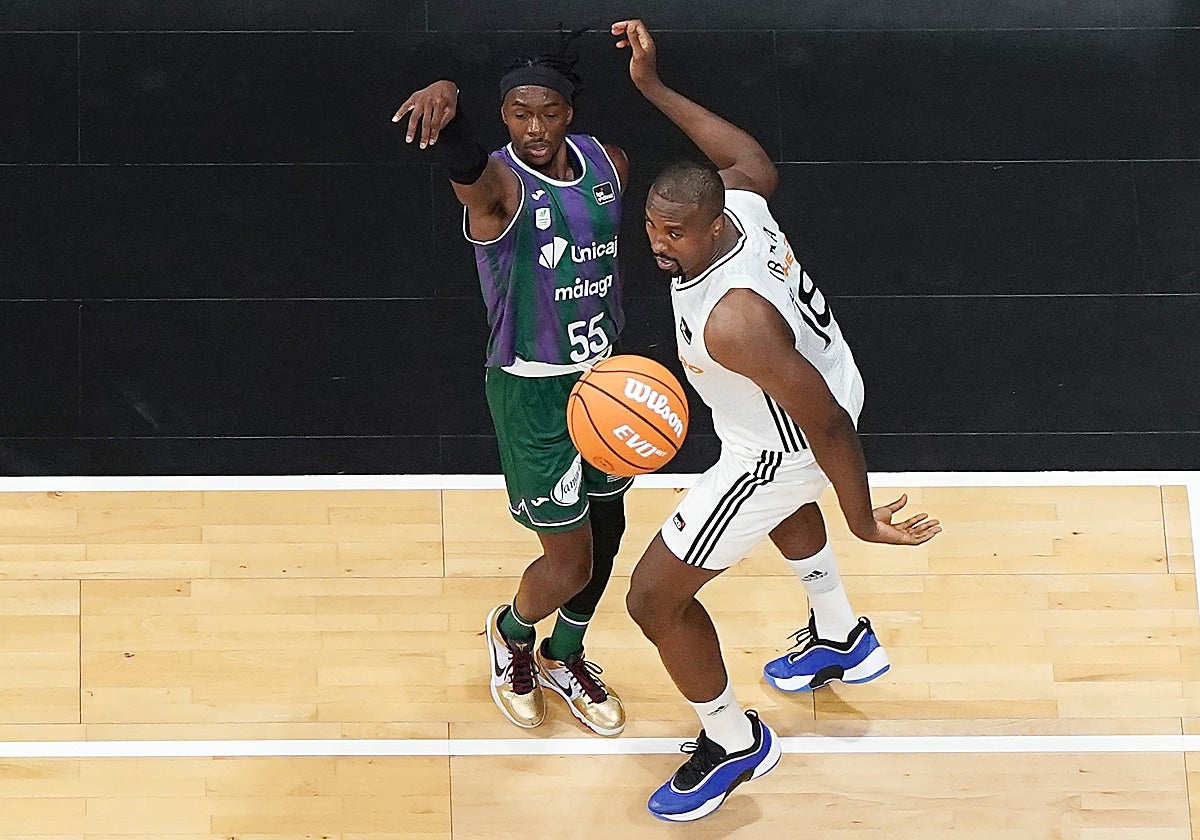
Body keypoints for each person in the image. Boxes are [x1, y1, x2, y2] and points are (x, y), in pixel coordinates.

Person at [612, 19, 942, 820]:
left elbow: (826, 426)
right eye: (654, 227)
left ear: (715, 225)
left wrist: (860, 517)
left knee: (653, 600)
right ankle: (839, 634)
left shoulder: (732, 320)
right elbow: (744, 158)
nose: (659, 243)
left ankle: (733, 742)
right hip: (817, 380)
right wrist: (652, 87)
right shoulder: (745, 202)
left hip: (788, 437)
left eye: (675, 232)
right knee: (781, 478)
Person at [392, 35, 630, 737]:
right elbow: (465, 165)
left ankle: (567, 653)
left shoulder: (609, 165)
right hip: (533, 391)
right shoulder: (498, 188)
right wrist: (448, 104)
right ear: (502, 114)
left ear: (569, 112)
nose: (533, 127)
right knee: (568, 559)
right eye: (519, 113)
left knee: (609, 529)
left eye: (548, 112)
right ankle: (512, 634)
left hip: (606, 383)